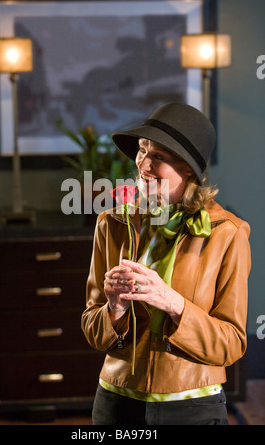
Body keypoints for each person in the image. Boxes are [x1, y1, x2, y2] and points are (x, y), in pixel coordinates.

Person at [81, 103, 251, 425]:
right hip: (115, 403)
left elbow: (231, 343)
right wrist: (114, 309)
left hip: (193, 409)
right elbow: (92, 328)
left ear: (188, 169)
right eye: (142, 151)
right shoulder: (111, 223)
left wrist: (173, 303)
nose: (143, 165)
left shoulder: (228, 234)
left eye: (158, 156)